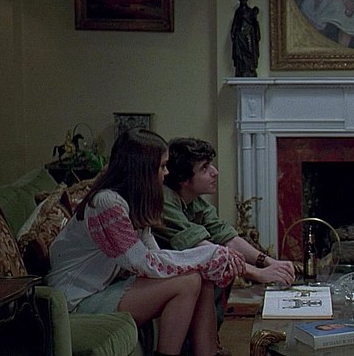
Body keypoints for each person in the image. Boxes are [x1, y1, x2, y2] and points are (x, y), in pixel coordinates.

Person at [46, 129, 239, 356]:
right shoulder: (106, 203)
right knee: (187, 282)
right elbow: (144, 263)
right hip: (77, 300)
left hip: (104, 288)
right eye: (162, 166)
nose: (167, 173)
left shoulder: (133, 201)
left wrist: (209, 257)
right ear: (143, 169)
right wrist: (208, 255)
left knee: (200, 277)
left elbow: (154, 255)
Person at [155, 137, 295, 289]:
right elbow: (202, 248)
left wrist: (269, 262)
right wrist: (259, 274)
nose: (215, 172)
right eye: (204, 168)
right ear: (183, 179)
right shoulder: (163, 201)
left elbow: (227, 237)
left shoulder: (195, 201)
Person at [230, 0, 260, 77]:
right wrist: (233, 32)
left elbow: (254, 23)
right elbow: (235, 23)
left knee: (250, 51)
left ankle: (250, 68)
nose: (243, 1)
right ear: (239, 0)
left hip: (248, 34)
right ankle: (241, 69)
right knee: (240, 54)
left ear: (246, 0)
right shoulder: (238, 11)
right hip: (239, 35)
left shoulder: (250, 11)